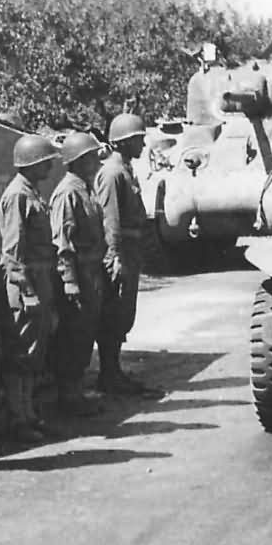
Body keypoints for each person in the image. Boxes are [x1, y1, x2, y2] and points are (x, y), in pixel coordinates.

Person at [0, 134, 59, 443]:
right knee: (21, 353)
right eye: (46, 161)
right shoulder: (18, 196)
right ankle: (18, 419)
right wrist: (26, 290)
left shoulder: (31, 191)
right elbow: (12, 250)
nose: (50, 166)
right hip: (27, 281)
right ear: (33, 163)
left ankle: (28, 413)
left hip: (39, 276)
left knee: (34, 351)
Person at [95, 113, 158, 396]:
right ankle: (109, 375)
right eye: (138, 139)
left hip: (132, 248)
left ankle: (114, 371)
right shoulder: (112, 173)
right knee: (115, 312)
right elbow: (111, 221)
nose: (143, 145)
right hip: (122, 251)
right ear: (123, 142)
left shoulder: (125, 169)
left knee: (123, 313)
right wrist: (115, 257)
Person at [49, 132, 107, 416]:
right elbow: (63, 243)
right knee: (74, 334)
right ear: (81, 161)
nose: (97, 161)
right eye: (93, 157)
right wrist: (70, 281)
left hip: (91, 270)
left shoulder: (84, 187)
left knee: (85, 333)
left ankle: (75, 391)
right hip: (80, 272)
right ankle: (68, 396)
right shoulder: (69, 192)